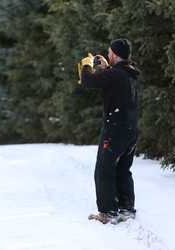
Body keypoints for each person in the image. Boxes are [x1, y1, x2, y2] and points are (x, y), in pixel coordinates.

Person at [79, 38, 141, 224]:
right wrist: (107, 68)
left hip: (115, 130)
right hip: (131, 129)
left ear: (114, 53)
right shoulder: (130, 73)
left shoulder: (116, 75)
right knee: (123, 170)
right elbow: (117, 83)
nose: (107, 55)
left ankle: (108, 213)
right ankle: (127, 209)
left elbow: (88, 81)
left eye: (108, 52)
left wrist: (86, 65)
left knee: (105, 170)